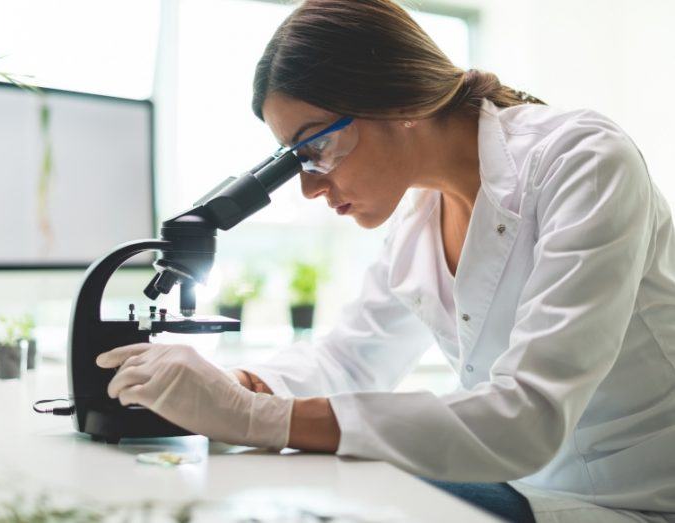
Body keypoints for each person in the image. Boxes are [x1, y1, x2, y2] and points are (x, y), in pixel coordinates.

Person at [95, 1, 675, 521]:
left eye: (314, 148)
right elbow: (348, 361)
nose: (309, 188)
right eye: (295, 160)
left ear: (397, 99)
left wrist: (254, 417)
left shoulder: (583, 161)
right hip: (524, 485)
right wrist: (229, 384)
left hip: (633, 500)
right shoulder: (418, 218)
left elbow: (530, 415)